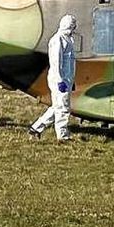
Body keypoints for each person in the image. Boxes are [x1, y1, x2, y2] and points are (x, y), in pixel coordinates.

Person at [29, 14, 77, 142]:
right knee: (63, 108)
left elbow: (69, 63)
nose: (74, 28)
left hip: (65, 79)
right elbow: (56, 62)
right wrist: (61, 81)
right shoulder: (58, 40)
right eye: (73, 25)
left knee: (57, 107)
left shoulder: (68, 39)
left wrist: (71, 81)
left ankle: (36, 128)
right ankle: (63, 136)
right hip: (59, 79)